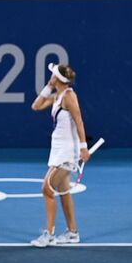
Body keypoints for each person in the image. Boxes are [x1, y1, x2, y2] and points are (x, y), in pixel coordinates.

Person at [30, 62, 90, 247]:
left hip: (66, 151)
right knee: (64, 192)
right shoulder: (57, 96)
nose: (51, 77)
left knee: (47, 189)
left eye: (53, 76)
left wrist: (83, 147)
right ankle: (73, 233)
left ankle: (49, 234)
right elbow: (36, 105)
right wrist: (48, 86)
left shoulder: (69, 97)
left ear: (59, 78)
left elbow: (79, 121)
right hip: (57, 150)